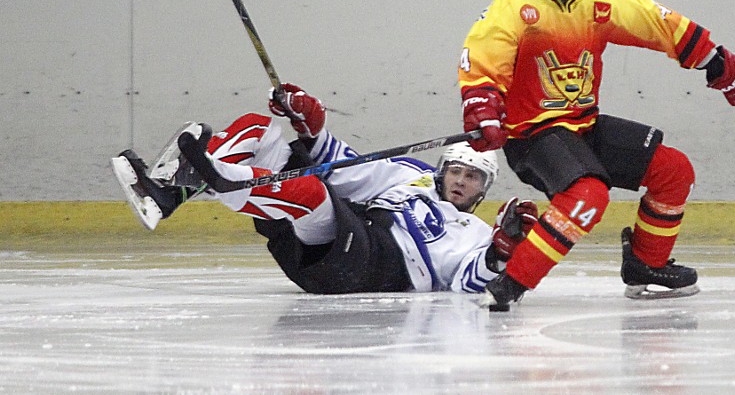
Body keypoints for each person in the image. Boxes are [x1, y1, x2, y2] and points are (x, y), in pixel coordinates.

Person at [457, 0, 735, 310]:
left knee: (674, 171)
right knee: (588, 195)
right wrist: (483, 106)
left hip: (583, 128)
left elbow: (660, 24)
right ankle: (513, 280)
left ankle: (645, 265)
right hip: (534, 137)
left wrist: (717, 62)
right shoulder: (515, 7)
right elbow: (483, 57)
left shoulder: (601, 0)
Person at [111, 83, 538, 295]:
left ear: (485, 188)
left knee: (310, 193)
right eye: (457, 171)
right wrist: (310, 123)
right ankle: (169, 193)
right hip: (342, 231)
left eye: (474, 177)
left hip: (372, 268)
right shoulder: (413, 175)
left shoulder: (475, 235)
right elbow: (347, 171)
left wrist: (502, 248)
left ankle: (220, 182)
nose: (462, 181)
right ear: (443, 168)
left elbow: (469, 284)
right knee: (259, 129)